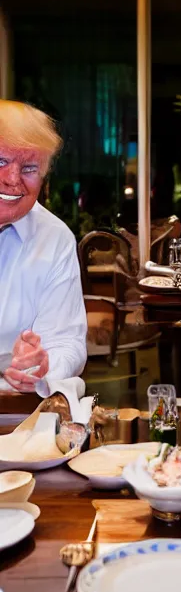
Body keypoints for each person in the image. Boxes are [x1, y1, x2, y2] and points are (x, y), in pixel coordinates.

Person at [0, 99, 87, 393]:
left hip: (17, 418)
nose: (12, 179)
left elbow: (67, 341)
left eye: (29, 168)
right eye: (0, 161)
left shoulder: (55, 239)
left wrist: (41, 365)